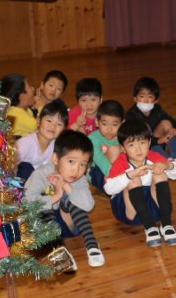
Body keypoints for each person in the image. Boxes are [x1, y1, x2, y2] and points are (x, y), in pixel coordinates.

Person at [24, 130, 105, 268]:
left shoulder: (80, 179)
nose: (76, 170)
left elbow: (88, 205)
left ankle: (91, 244)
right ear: (56, 159)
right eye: (71, 162)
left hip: (68, 225)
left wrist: (67, 187)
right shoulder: (41, 175)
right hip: (44, 229)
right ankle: (58, 251)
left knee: (74, 198)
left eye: (82, 164)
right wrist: (55, 196)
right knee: (42, 204)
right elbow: (26, 202)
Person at [104, 120, 176, 248]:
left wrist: (167, 165)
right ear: (122, 148)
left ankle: (166, 224)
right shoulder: (121, 163)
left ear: (149, 143)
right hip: (130, 212)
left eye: (142, 143)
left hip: (155, 211)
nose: (138, 149)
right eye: (131, 145)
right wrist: (130, 175)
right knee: (134, 179)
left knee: (160, 174)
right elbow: (108, 189)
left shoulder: (154, 157)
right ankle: (149, 228)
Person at [125, 77, 176, 159]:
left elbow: (172, 121)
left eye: (150, 97)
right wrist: (157, 140)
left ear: (155, 100)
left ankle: (175, 155)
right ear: (135, 98)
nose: (145, 100)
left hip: (157, 139)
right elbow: (137, 137)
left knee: (166, 123)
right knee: (144, 127)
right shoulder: (130, 115)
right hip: (143, 146)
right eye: (142, 96)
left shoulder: (157, 109)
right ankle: (164, 158)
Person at [17, 101, 68, 181]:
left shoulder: (58, 146)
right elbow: (9, 165)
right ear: (38, 121)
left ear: (64, 130)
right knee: (26, 167)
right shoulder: (26, 143)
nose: (53, 126)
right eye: (49, 121)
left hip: (42, 186)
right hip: (20, 184)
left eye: (59, 124)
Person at [88, 100, 124, 192]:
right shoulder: (92, 138)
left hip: (120, 172)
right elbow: (100, 159)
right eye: (104, 124)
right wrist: (113, 175)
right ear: (97, 122)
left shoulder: (123, 137)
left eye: (115, 124)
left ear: (122, 124)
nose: (109, 128)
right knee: (114, 150)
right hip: (98, 172)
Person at [0, 73, 37, 138]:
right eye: (29, 87)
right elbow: (45, 128)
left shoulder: (15, 110)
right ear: (22, 97)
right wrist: (43, 104)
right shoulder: (18, 116)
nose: (33, 88)